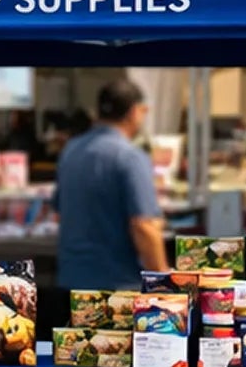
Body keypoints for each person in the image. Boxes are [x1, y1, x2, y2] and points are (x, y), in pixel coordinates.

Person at [55, 76, 167, 291]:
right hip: (118, 286)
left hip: (72, 281)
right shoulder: (130, 156)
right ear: (135, 111)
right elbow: (144, 226)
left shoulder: (71, 151)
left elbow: (60, 212)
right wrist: (163, 282)